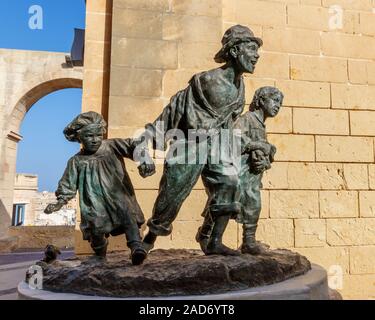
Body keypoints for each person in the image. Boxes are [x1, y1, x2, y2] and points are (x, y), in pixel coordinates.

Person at [141, 25, 263, 256]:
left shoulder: (241, 85)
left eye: (257, 50)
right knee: (172, 195)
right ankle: (149, 239)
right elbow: (177, 107)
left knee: (230, 184)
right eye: (251, 48)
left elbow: (229, 123)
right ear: (235, 51)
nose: (256, 55)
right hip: (191, 144)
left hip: (218, 145)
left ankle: (212, 239)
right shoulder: (206, 80)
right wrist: (148, 140)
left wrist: (243, 146)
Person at [44, 111, 155, 265]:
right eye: (89, 136)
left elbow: (134, 145)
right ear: (79, 138)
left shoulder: (112, 146)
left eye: (98, 135)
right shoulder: (76, 161)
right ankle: (99, 254)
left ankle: (136, 247)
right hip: (93, 201)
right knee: (95, 226)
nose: (95, 140)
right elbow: (68, 184)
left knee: (127, 215)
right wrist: (60, 202)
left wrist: (144, 159)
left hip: (118, 195)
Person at [196, 87, 283, 254]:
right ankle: (207, 234)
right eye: (274, 100)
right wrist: (256, 146)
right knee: (224, 205)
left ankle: (248, 241)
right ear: (260, 101)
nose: (277, 105)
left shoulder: (260, 123)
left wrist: (264, 156)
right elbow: (234, 138)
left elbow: (261, 149)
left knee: (251, 205)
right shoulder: (247, 119)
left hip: (252, 176)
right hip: (240, 172)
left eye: (280, 103)